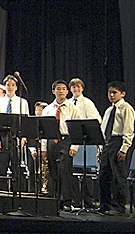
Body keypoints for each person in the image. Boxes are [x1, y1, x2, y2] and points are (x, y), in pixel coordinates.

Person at [41, 79, 82, 212]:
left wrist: (74, 147)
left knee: (65, 170)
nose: (61, 91)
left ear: (67, 91)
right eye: (58, 89)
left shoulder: (73, 109)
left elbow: (77, 130)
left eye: (63, 89)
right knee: (53, 171)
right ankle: (55, 199)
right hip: (51, 140)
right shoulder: (47, 109)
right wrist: (43, 148)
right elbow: (42, 130)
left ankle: (66, 201)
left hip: (66, 140)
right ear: (53, 91)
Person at [98, 81, 135, 216]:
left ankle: (119, 206)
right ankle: (104, 204)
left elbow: (128, 129)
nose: (111, 95)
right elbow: (103, 129)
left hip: (118, 141)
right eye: (110, 92)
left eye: (115, 92)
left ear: (122, 94)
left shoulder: (126, 108)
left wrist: (124, 147)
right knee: (103, 175)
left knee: (118, 176)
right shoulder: (109, 110)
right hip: (108, 143)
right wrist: (100, 146)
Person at [0, 74, 30, 191]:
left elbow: (26, 122)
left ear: (16, 87)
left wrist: (24, 138)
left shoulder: (22, 102)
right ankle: (1, 194)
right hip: (2, 136)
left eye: (12, 85)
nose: (10, 87)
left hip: (16, 137)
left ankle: (16, 195)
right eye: (7, 85)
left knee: (16, 168)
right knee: (1, 168)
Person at [69, 77, 101, 208]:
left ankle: (89, 201)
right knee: (73, 172)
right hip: (72, 140)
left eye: (78, 87)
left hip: (85, 141)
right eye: (73, 87)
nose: (76, 89)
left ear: (82, 88)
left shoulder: (87, 103)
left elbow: (96, 119)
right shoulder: (69, 103)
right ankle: (75, 200)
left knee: (86, 171)